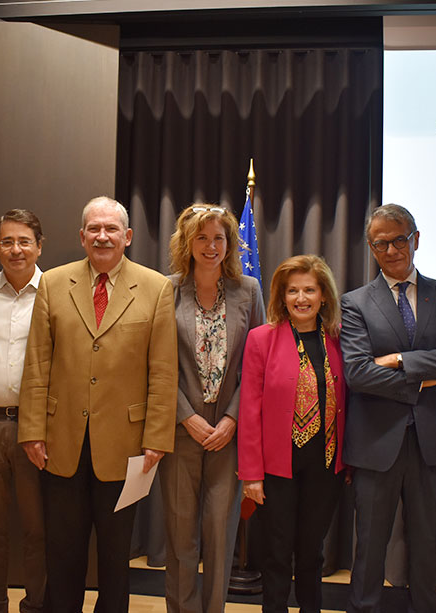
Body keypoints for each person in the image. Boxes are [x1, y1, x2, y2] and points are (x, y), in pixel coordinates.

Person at [18, 196, 177, 613]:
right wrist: (32, 430)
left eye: (111, 229)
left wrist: (157, 437)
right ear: (82, 236)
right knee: (62, 553)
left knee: (115, 557)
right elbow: (37, 362)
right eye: (94, 229)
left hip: (127, 447)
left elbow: (163, 371)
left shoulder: (157, 288)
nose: (102, 236)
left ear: (128, 236)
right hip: (61, 441)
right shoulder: (53, 283)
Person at [339, 203, 436, 613]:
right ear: (371, 248)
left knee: (428, 547)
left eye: (399, 240)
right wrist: (424, 380)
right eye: (381, 244)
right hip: (376, 442)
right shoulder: (354, 302)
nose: (391, 250)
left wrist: (397, 361)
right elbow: (358, 373)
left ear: (416, 239)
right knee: (369, 547)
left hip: (433, 440)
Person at [160, 204, 266, 613]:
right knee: (180, 534)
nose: (210, 246)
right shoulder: (166, 290)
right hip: (180, 429)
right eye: (201, 238)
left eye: (218, 238)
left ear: (230, 243)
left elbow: (256, 364)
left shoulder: (248, 290)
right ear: (187, 243)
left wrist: (232, 418)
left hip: (228, 433)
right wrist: (186, 416)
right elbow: (157, 364)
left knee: (220, 534)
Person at [238, 254, 346, 613]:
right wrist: (251, 474)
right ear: (281, 297)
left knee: (312, 553)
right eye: (293, 291)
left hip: (326, 467)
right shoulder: (261, 339)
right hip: (276, 469)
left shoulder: (340, 339)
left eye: (310, 290)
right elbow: (249, 409)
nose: (301, 298)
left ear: (324, 295)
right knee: (277, 553)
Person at [0, 209, 48, 613]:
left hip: (38, 430)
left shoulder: (56, 292)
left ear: (39, 246)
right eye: (7, 241)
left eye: (24, 241)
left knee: (39, 529)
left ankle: (36, 606)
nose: (16, 249)